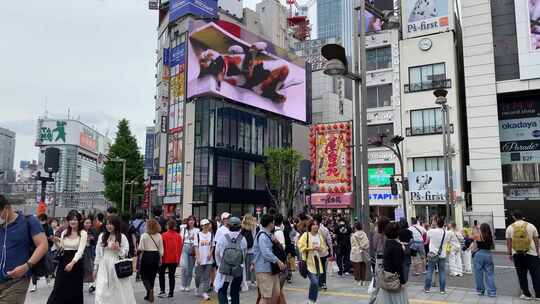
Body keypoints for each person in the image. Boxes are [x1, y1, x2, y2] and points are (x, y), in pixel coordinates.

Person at [0, 195, 48, 304]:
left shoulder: (28, 221)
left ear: (7, 208)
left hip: (17, 281)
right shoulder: (1, 226)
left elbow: (43, 245)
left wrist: (27, 266)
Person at [47, 210, 88, 304]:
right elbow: (61, 248)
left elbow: (80, 251)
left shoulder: (83, 233)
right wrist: (55, 241)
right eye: (70, 219)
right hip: (64, 261)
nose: (72, 222)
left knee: (75, 290)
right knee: (58, 287)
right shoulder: (64, 232)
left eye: (75, 219)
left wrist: (72, 263)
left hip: (76, 263)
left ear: (79, 221)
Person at [93, 215, 136, 304]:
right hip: (103, 265)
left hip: (116, 265)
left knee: (117, 289)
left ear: (116, 225)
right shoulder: (102, 236)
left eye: (111, 224)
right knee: (101, 289)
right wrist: (95, 268)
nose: (109, 226)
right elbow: (98, 253)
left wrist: (118, 249)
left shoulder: (122, 237)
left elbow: (125, 253)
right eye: (108, 224)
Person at [506, 210, 540, 300]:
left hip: (517, 254)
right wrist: (538, 251)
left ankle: (526, 294)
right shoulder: (531, 226)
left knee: (521, 275)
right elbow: (536, 240)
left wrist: (509, 253)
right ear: (523, 216)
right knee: (535, 274)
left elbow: (509, 243)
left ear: (514, 217)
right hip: (532, 254)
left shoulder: (510, 228)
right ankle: (538, 295)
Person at [254, 214, 286, 304]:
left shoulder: (268, 235)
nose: (273, 224)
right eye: (272, 222)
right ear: (270, 224)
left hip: (272, 269)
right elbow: (266, 252)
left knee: (275, 294)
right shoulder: (262, 236)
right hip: (264, 270)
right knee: (266, 296)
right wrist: (278, 261)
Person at [215, 217, 247, 304]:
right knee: (235, 292)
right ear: (240, 227)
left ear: (228, 226)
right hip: (238, 269)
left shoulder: (223, 238)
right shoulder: (243, 239)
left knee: (222, 290)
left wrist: (220, 265)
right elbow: (244, 255)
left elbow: (217, 254)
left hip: (225, 269)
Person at [375, 222, 409, 304]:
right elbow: (399, 266)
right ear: (398, 233)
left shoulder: (387, 243)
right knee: (398, 299)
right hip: (395, 280)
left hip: (386, 277)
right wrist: (403, 281)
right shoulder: (398, 247)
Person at [298, 220, 327, 304]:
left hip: (317, 261)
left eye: (316, 224)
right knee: (314, 281)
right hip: (308, 261)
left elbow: (323, 247)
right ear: (310, 226)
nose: (315, 226)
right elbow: (300, 247)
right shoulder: (305, 235)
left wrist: (320, 249)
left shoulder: (319, 236)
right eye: (313, 224)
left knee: (315, 283)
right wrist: (311, 248)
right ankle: (311, 300)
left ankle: (312, 300)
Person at [138, 219, 163, 303]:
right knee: (152, 276)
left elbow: (141, 248)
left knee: (143, 275)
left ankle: (149, 289)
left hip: (146, 256)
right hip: (156, 256)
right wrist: (160, 258)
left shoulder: (144, 235)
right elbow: (161, 250)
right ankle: (149, 294)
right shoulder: (159, 235)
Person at [424, 217, 451, 294]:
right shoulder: (447, 233)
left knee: (430, 271)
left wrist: (432, 226)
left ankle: (427, 288)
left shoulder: (431, 231)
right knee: (442, 272)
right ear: (443, 224)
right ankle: (442, 290)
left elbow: (427, 239)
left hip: (432, 254)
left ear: (436, 223)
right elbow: (448, 240)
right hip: (442, 255)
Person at [158, 220, 183, 298]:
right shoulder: (178, 236)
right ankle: (171, 292)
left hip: (165, 258)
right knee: (171, 275)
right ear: (175, 226)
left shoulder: (163, 235)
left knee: (161, 274)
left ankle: (162, 290)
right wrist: (178, 259)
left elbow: (161, 248)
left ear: (167, 226)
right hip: (174, 258)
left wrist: (160, 258)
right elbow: (180, 248)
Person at [30, 213, 54, 292]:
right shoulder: (34, 227)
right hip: (35, 249)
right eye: (39, 220)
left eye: (42, 221)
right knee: (33, 266)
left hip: (46, 249)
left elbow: (51, 239)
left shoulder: (49, 227)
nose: (41, 222)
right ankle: (34, 284)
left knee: (46, 264)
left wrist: (44, 238)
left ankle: (47, 277)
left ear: (45, 220)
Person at [471, 223, 496, 297]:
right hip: (488, 254)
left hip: (479, 254)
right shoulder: (491, 236)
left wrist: (475, 229)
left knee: (478, 273)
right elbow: (493, 246)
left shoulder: (478, 236)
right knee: (490, 274)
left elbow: (470, 236)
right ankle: (492, 292)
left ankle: (480, 290)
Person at [194, 219, 214, 300]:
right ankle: (197, 286)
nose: (206, 226)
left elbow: (212, 245)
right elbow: (196, 247)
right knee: (198, 276)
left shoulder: (211, 235)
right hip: (200, 258)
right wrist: (198, 257)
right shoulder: (198, 235)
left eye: (207, 225)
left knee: (207, 276)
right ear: (201, 226)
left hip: (209, 259)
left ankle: (204, 292)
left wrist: (210, 253)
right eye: (204, 225)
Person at [312, 214, 332, 290]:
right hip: (324, 252)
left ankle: (318, 284)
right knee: (323, 268)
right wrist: (331, 251)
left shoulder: (314, 229)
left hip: (316, 252)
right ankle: (323, 284)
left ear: (316, 220)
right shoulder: (325, 229)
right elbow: (329, 241)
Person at [180, 215, 199, 291]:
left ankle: (187, 285)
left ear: (195, 221)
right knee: (184, 267)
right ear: (187, 221)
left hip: (193, 248)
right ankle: (182, 284)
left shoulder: (197, 230)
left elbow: (198, 240)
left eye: (193, 220)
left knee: (190, 268)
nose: (191, 221)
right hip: (184, 247)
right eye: (190, 220)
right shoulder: (184, 229)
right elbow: (181, 239)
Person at [350, 222, 369, 286]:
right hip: (363, 251)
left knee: (356, 266)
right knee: (363, 265)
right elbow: (367, 244)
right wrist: (362, 247)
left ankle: (358, 280)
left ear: (355, 227)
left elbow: (352, 244)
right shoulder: (364, 234)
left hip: (355, 252)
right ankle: (363, 281)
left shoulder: (353, 235)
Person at [83, 217, 98, 293]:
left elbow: (95, 240)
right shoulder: (81, 231)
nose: (88, 224)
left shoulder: (93, 231)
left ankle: (92, 285)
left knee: (91, 267)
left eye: (89, 223)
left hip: (90, 250)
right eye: (86, 222)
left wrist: (92, 239)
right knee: (84, 268)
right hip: (82, 251)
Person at [241, 213, 257, 286]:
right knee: (253, 265)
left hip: (245, 249)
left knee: (245, 265)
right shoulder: (255, 227)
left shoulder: (243, 228)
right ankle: (253, 280)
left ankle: (246, 280)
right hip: (253, 249)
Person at [398, 218, 413, 283]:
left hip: (399, 248)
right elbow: (412, 240)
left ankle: (400, 278)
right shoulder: (410, 232)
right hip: (407, 248)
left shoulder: (397, 232)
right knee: (407, 264)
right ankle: (405, 279)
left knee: (399, 264)